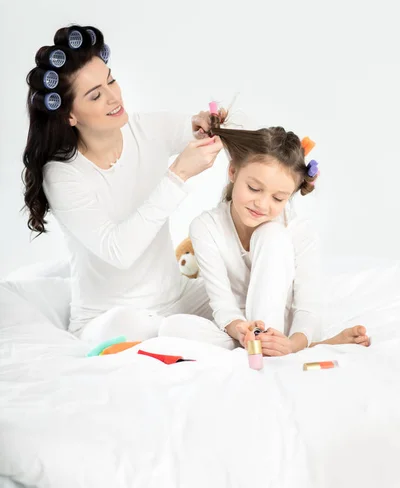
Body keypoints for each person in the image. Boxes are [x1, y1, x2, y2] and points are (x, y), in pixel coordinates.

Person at [23, 24, 223, 343]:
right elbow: (119, 251)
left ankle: (183, 333)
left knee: (243, 303)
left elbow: (211, 132)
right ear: (69, 116)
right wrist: (178, 175)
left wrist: (214, 127)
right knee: (132, 327)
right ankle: (183, 337)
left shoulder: (146, 128)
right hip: (108, 318)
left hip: (177, 301)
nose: (114, 97)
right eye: (96, 95)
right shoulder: (62, 174)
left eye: (111, 80)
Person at [160, 119, 370, 355]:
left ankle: (282, 347)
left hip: (284, 325)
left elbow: (307, 309)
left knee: (271, 234)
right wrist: (241, 329)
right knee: (172, 328)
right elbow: (223, 307)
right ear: (233, 171)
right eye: (254, 188)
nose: (262, 204)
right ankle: (274, 347)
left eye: (278, 198)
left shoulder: (299, 232)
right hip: (238, 324)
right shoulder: (205, 227)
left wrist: (293, 342)